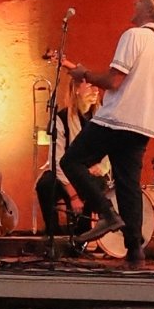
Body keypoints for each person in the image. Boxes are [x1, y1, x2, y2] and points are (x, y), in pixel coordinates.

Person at [61, 0, 154, 266]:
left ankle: (105, 213)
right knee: (128, 185)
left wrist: (84, 73)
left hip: (117, 118)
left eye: (140, 0)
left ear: (149, 9)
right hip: (143, 124)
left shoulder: (134, 36)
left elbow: (114, 81)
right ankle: (135, 252)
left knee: (71, 162)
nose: (135, 2)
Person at [34, 78, 106, 239]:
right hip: (66, 173)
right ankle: (54, 235)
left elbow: (110, 150)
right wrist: (73, 195)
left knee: (97, 184)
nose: (96, 91)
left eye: (97, 87)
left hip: (91, 172)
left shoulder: (102, 119)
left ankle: (83, 234)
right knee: (45, 184)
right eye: (90, 86)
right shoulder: (61, 119)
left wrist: (101, 167)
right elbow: (57, 160)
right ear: (76, 90)